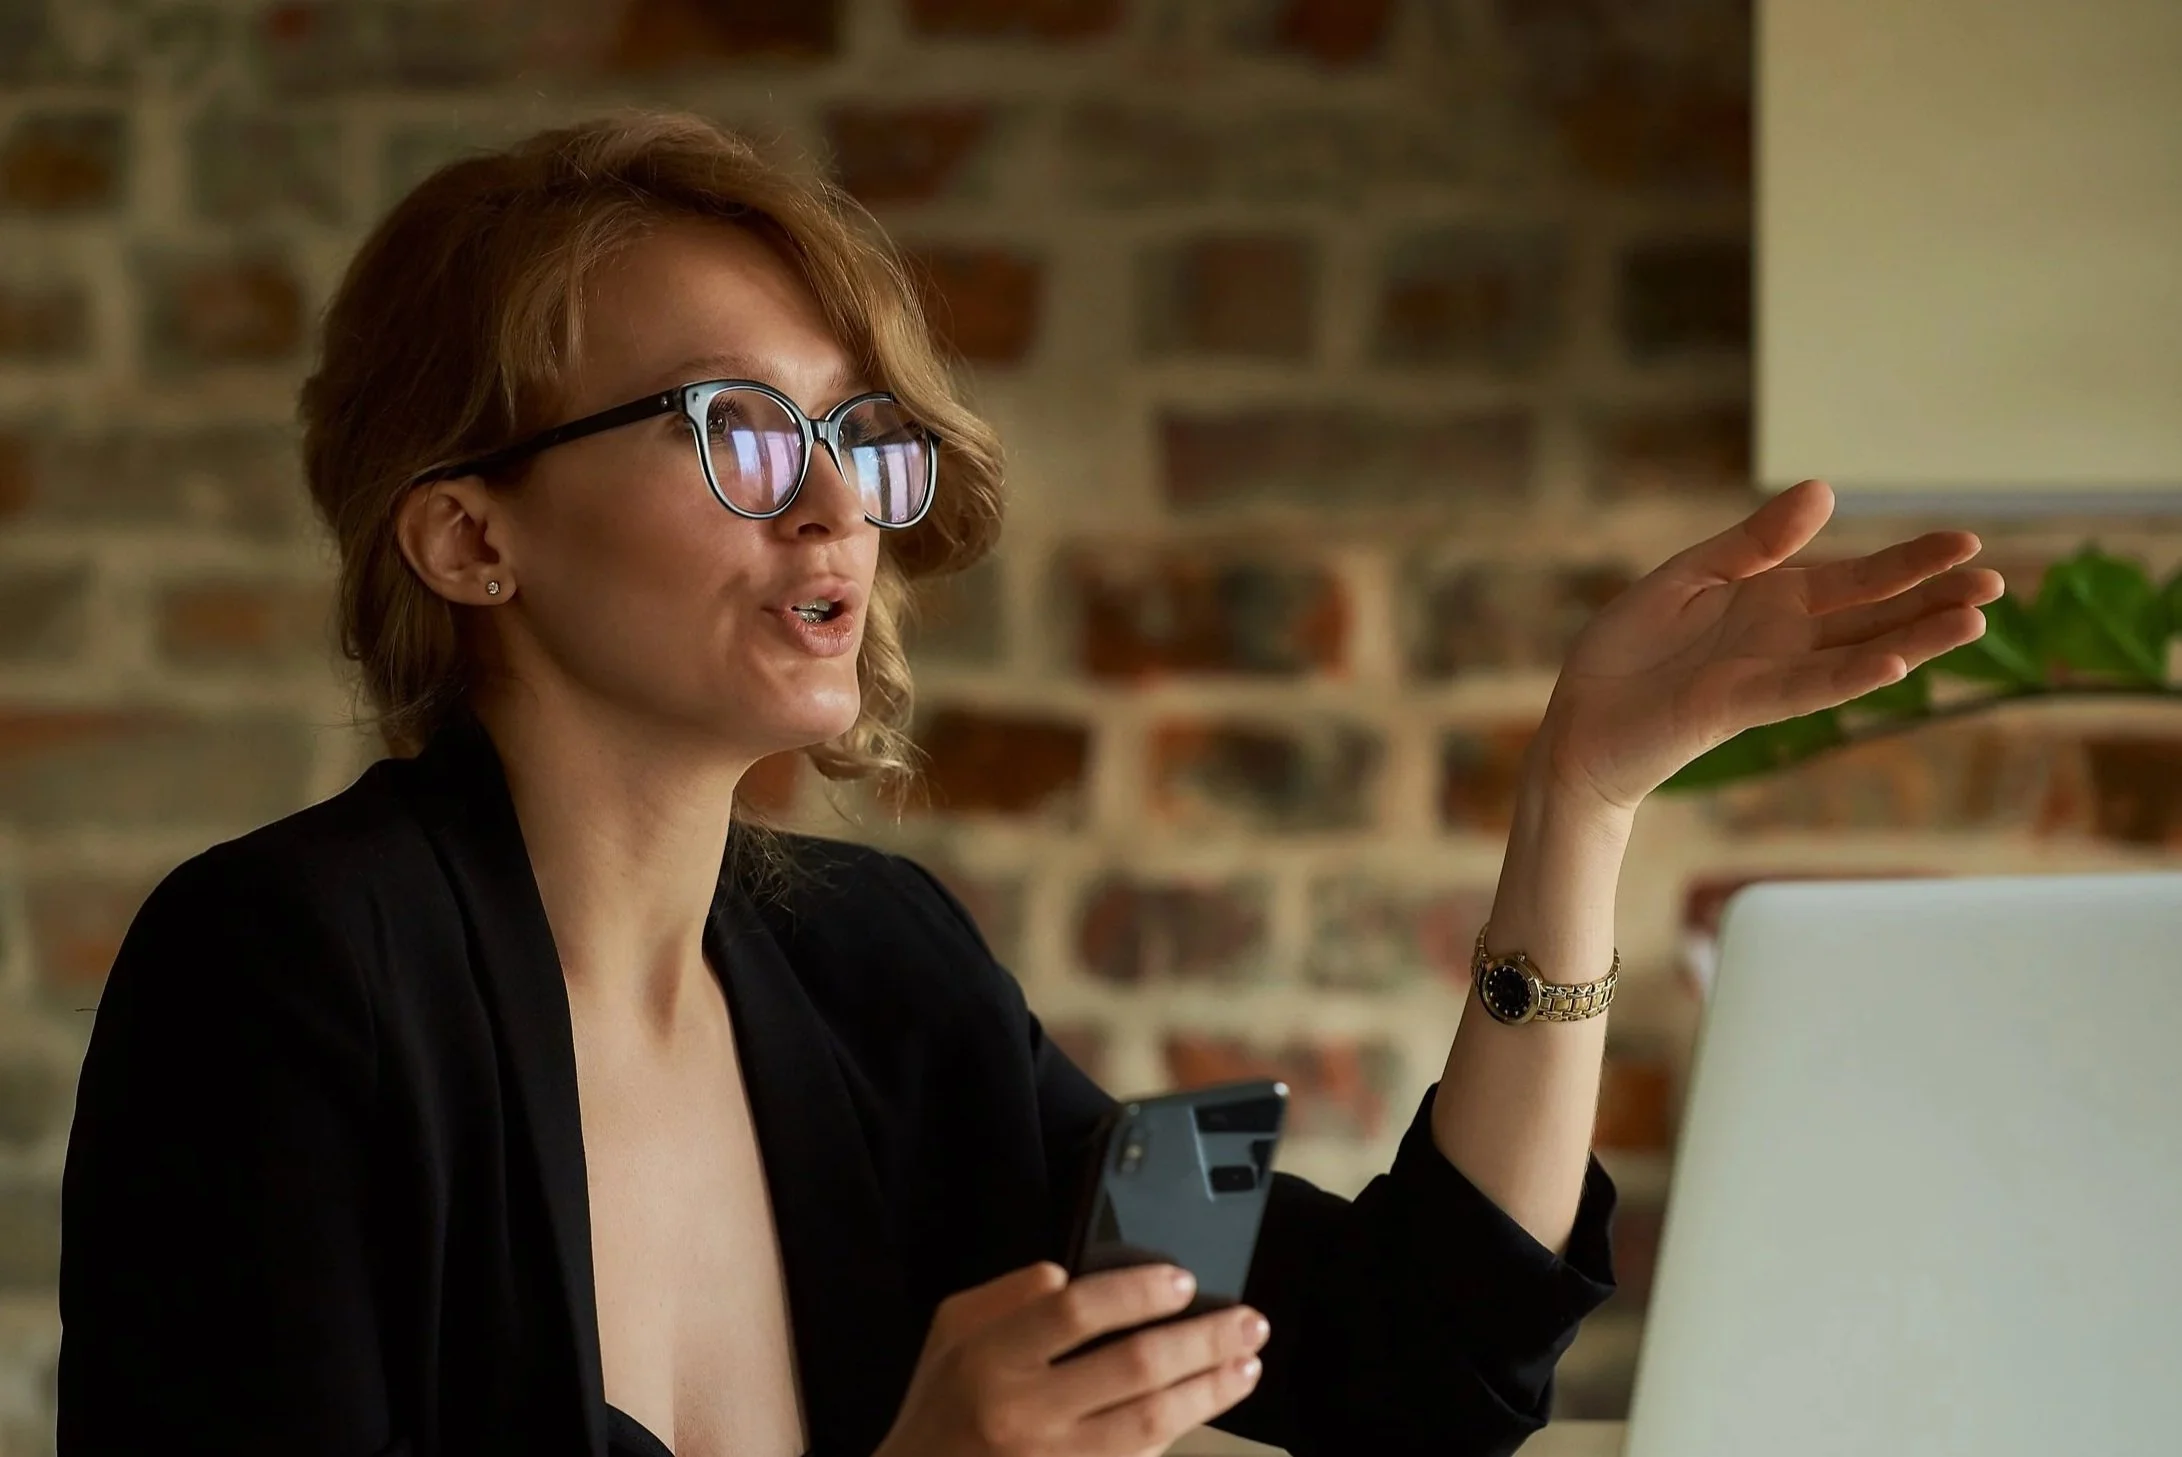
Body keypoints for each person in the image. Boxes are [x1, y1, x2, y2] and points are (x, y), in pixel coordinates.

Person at [54, 111, 2003, 1457]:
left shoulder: (882, 981)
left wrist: (1576, 795)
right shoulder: (284, 976)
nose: (837, 499)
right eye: (734, 426)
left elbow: (1410, 1366)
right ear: (471, 539)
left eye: (853, 431)